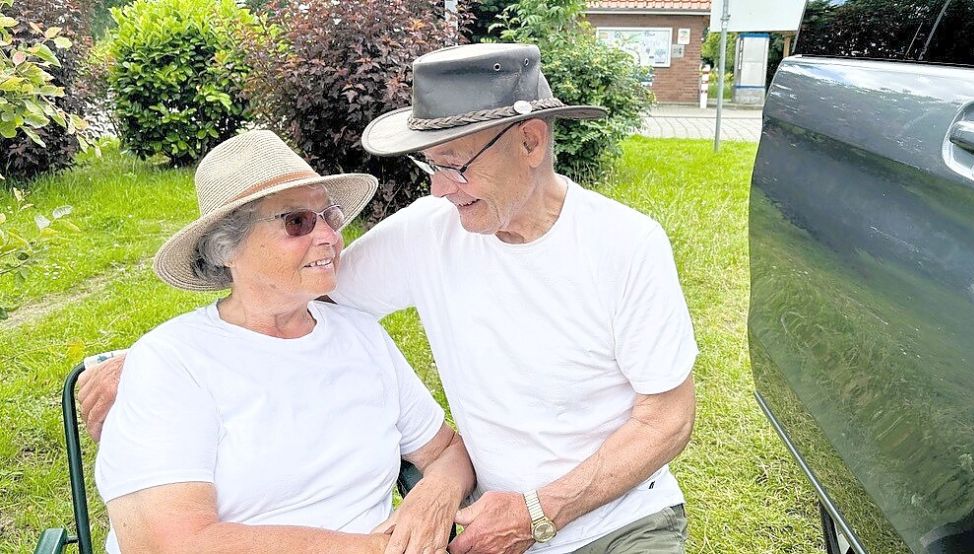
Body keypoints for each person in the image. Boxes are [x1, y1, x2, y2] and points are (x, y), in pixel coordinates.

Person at [83, 43, 698, 554]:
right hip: (488, 530)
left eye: (454, 164)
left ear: (531, 143)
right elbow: (283, 292)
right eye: (431, 164)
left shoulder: (626, 245)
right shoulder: (432, 230)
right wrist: (149, 358)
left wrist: (538, 512)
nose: (438, 188)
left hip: (618, 521)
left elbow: (667, 419)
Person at [93, 130, 474, 554]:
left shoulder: (361, 335)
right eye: (298, 221)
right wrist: (370, 550)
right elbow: (165, 543)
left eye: (329, 216)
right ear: (226, 248)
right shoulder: (173, 362)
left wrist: (433, 496)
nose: (329, 235)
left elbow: (446, 451)